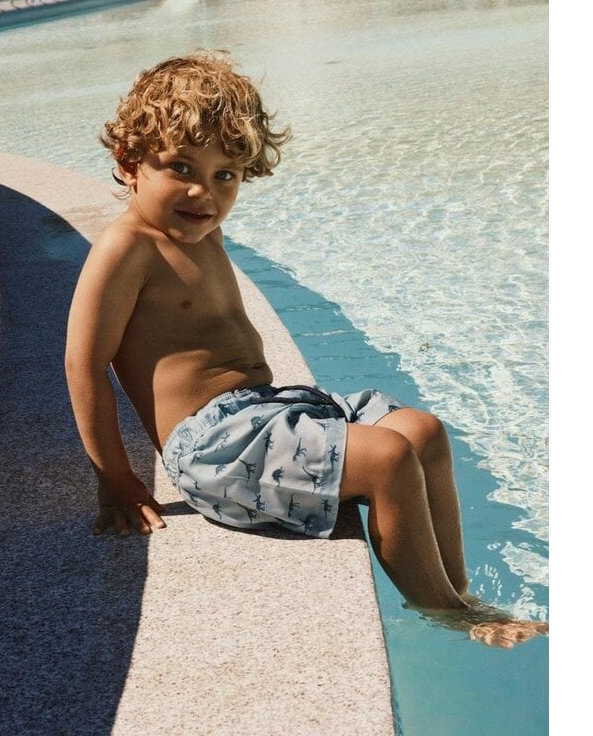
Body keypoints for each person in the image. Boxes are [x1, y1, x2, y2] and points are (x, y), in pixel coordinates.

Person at [65, 52, 547, 648]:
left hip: (267, 410)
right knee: (388, 458)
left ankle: (458, 590)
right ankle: (448, 615)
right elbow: (83, 364)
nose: (202, 192)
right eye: (181, 167)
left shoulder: (202, 232)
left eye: (225, 175)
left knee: (423, 432)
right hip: (214, 449)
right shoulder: (127, 248)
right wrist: (116, 478)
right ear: (129, 162)